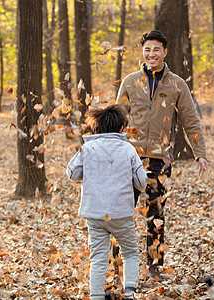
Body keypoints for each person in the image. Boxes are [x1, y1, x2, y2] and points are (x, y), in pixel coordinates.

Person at [116, 30, 208, 281]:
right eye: (147, 49)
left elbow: (191, 121)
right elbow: (117, 121)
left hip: (160, 160)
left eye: (156, 49)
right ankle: (115, 264)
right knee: (119, 212)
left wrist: (200, 153)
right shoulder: (130, 81)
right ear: (142, 52)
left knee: (155, 214)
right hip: (130, 158)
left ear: (165, 52)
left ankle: (154, 267)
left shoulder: (177, 84)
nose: (151, 53)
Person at [67, 105, 147, 300]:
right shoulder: (128, 149)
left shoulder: (88, 148)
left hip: (94, 213)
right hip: (121, 213)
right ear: (121, 128)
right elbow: (142, 182)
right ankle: (129, 293)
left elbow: (72, 173)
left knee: (98, 258)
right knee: (130, 252)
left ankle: (96, 296)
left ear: (96, 129)